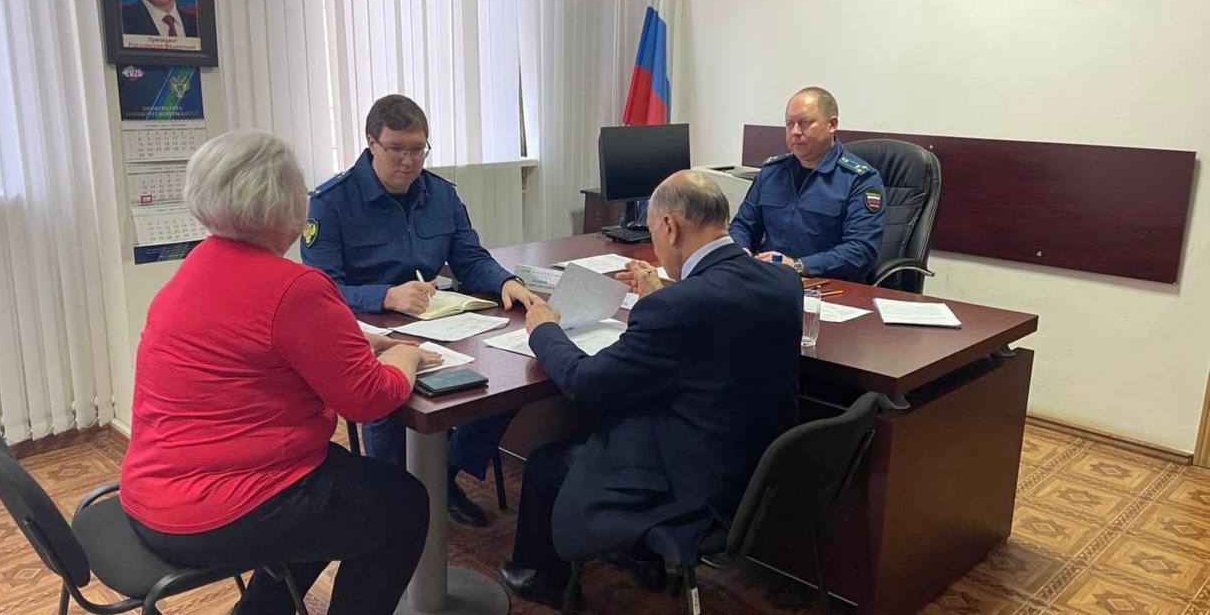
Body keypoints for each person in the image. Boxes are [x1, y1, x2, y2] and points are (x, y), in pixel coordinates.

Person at [120, 130, 440, 615]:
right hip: (217, 509)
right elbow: (369, 399)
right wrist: (407, 356)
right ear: (287, 206)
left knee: (331, 490)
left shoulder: (198, 263)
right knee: (402, 506)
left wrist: (352, 342)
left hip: (152, 491)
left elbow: (254, 343)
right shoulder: (294, 287)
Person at [498, 170, 802, 608]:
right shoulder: (783, 282)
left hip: (693, 489)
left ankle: (542, 578)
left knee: (548, 462)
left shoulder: (677, 307)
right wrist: (662, 293)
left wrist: (544, 330)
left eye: (653, 231)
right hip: (757, 472)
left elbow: (586, 384)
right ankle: (638, 555)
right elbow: (717, 325)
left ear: (669, 226)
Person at [301, 93, 542, 527]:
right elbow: (320, 289)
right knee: (386, 402)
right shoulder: (331, 201)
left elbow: (469, 257)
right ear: (371, 142)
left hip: (437, 321)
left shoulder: (440, 194)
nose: (409, 161)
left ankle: (443, 475)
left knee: (510, 382)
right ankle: (395, 506)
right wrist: (385, 296)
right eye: (397, 149)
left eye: (418, 149)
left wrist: (506, 282)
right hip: (367, 332)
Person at [728, 86, 886, 282]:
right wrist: (740, 250)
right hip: (768, 279)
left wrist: (799, 265)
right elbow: (743, 225)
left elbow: (861, 251)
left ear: (832, 124)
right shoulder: (771, 172)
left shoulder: (860, 179)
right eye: (789, 124)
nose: (795, 131)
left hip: (825, 285)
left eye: (805, 123)